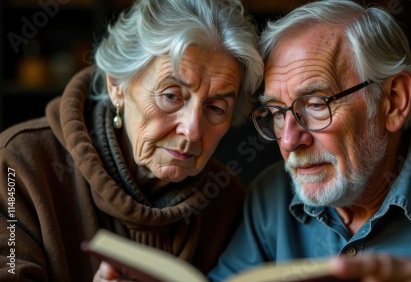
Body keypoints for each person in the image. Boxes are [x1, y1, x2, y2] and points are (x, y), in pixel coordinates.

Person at [208, 0, 411, 281]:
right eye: (275, 111)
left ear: (394, 102)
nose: (288, 140)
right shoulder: (270, 199)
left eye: (315, 104)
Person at [0, 0, 263, 281]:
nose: (193, 131)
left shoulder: (228, 202)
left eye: (215, 108)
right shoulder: (19, 168)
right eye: (171, 96)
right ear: (117, 85)